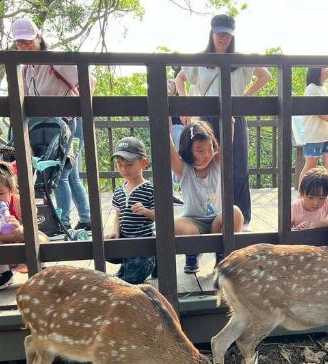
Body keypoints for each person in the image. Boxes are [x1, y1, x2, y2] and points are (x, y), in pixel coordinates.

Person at [174, 14, 271, 230]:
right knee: (204, 163)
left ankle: (241, 219)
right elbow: (179, 78)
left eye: (226, 34)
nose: (222, 37)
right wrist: (184, 102)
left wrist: (246, 96)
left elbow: (266, 75)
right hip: (207, 119)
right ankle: (207, 212)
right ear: (211, 32)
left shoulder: (241, 60)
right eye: (218, 32)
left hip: (235, 116)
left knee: (237, 166)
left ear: (232, 35)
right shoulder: (200, 60)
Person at [11, 17, 93, 231]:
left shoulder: (55, 60)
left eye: (27, 41)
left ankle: (62, 222)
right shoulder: (26, 69)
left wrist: (79, 108)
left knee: (61, 173)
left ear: (38, 38)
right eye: (19, 43)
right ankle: (86, 218)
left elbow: (89, 80)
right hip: (48, 127)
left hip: (70, 124)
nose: (24, 47)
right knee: (70, 173)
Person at [170, 120, 243, 273]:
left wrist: (230, 123)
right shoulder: (184, 169)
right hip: (194, 223)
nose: (206, 154)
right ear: (188, 151)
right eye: (199, 150)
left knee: (235, 212)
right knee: (175, 224)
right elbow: (168, 151)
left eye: (209, 147)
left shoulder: (216, 162)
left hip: (217, 220)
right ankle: (192, 254)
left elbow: (227, 145)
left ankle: (223, 257)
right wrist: (165, 122)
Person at [0, 161, 49, 291]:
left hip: (24, 239)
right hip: (2, 243)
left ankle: (40, 270)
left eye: (1, 193)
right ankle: (4, 273)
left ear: (11, 190)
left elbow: (32, 228)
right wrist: (9, 236)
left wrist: (19, 229)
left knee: (40, 240)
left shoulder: (19, 202)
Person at [106, 137, 156, 284]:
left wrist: (146, 211)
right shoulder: (119, 190)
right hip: (125, 239)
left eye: (129, 164)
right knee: (104, 247)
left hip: (142, 242)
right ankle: (127, 265)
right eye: (120, 165)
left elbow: (160, 217)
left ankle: (151, 261)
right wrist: (115, 231)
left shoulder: (149, 189)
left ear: (143, 163)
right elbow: (118, 213)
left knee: (131, 280)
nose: (123, 169)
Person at [299, 68, 328, 183]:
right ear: (317, 71)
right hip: (314, 134)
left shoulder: (323, 88)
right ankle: (301, 195)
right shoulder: (311, 88)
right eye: (324, 67)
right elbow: (319, 112)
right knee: (311, 165)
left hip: (326, 134)